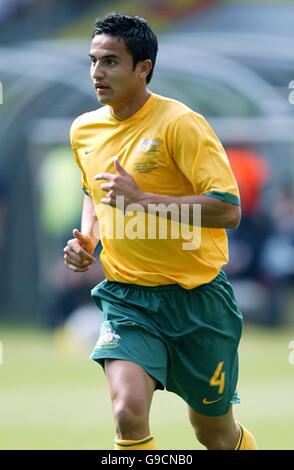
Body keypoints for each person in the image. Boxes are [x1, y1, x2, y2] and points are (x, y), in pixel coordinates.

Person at [64, 13, 257, 450]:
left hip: (197, 301)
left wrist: (143, 201)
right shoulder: (83, 130)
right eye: (93, 61)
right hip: (128, 298)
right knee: (126, 413)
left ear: (143, 67)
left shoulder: (180, 124)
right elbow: (92, 189)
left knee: (215, 434)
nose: (97, 73)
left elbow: (228, 210)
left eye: (111, 62)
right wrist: (89, 239)